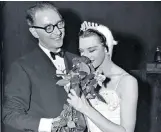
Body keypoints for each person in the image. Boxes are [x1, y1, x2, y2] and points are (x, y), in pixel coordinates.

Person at [2, 2, 86, 132]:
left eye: (60, 24)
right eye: (48, 28)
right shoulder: (22, 67)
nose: (58, 31)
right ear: (34, 32)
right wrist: (50, 126)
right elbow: (10, 115)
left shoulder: (80, 61)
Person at [67, 21, 138, 132]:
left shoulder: (127, 81)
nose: (85, 56)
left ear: (106, 48)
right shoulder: (86, 77)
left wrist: (85, 108)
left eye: (91, 50)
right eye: (82, 51)